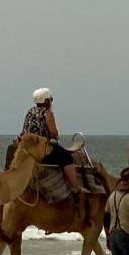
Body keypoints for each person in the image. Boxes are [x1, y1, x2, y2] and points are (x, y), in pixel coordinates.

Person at [20, 87, 87, 224]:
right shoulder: (47, 113)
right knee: (65, 156)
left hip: (29, 149)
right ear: (47, 101)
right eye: (50, 99)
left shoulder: (30, 112)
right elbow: (54, 132)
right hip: (43, 150)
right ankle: (75, 185)